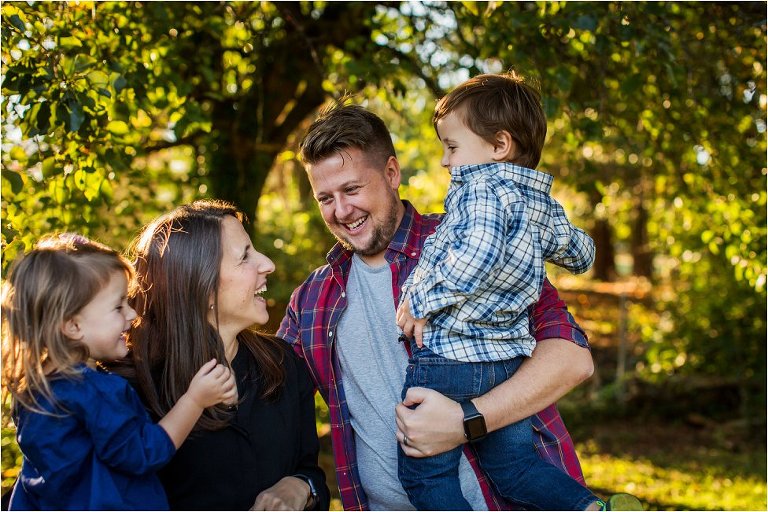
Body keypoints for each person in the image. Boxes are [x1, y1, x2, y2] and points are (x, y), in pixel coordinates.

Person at [278, 102, 599, 511]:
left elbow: (573, 359)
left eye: (352, 189)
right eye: (325, 198)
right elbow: (270, 396)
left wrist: (465, 422)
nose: (342, 211)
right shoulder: (311, 300)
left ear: (392, 173)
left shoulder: (467, 240)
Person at [393, 71, 607, 510]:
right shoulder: (539, 202)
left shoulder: (482, 191)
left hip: (451, 357)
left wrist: (420, 299)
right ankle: (587, 507)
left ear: (499, 146)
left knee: (424, 474)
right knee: (515, 469)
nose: (445, 162)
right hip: (507, 361)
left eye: (452, 147)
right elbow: (581, 253)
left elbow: (475, 258)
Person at [118, 200, 330, 510]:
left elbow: (310, 471)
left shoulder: (283, 364)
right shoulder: (129, 389)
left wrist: (299, 487)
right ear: (200, 285)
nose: (267, 263)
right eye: (245, 256)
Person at [1, 233, 237, 510]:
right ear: (72, 326)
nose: (132, 315)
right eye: (117, 306)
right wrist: (195, 400)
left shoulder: (33, 391)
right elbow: (145, 452)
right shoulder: (95, 391)